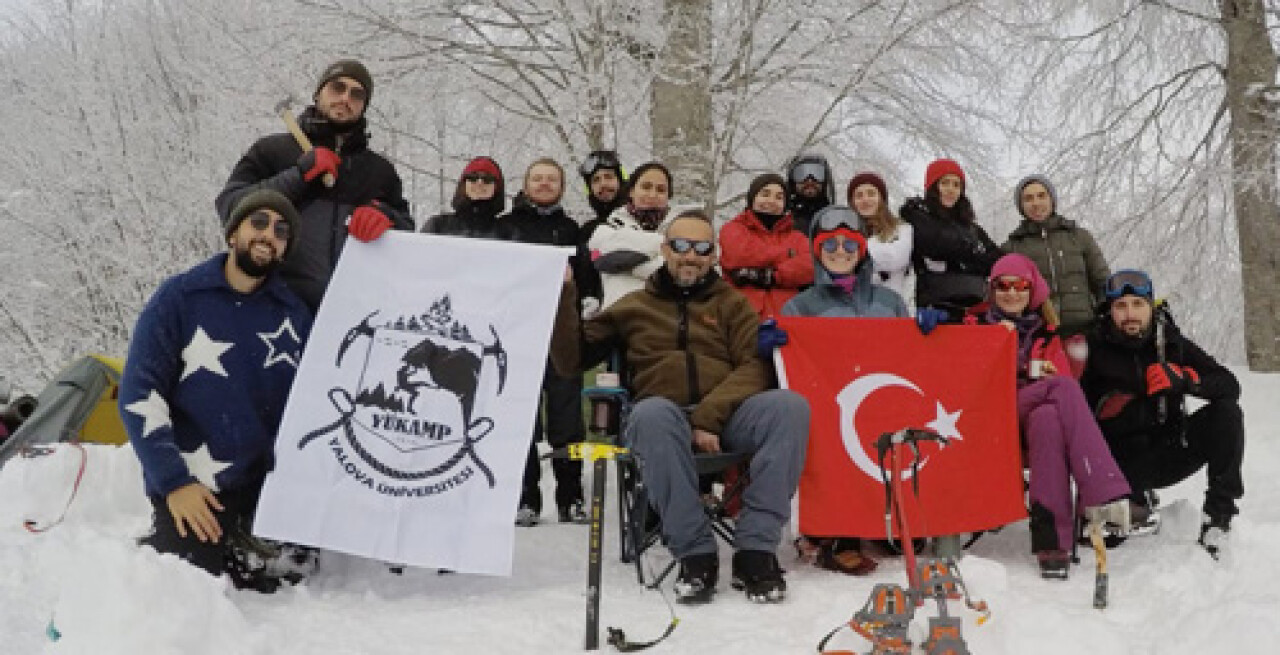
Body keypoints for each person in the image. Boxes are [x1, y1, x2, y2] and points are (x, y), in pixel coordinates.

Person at [550, 210, 810, 604]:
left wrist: (709, 417)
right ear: (665, 249)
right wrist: (563, 297)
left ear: (713, 256)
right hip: (661, 417)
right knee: (652, 413)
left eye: (702, 248)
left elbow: (754, 367)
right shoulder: (634, 305)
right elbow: (571, 361)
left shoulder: (732, 304)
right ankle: (696, 552)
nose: (691, 256)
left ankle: (755, 550)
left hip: (724, 418)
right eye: (682, 246)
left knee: (789, 407)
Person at [121, 190, 312, 590]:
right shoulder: (179, 298)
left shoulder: (293, 315)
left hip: (262, 488)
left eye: (281, 231)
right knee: (182, 586)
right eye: (258, 223)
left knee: (286, 582)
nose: (268, 235)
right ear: (232, 234)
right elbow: (139, 396)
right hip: (195, 483)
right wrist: (174, 483)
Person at [966, 254, 1130, 579]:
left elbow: (1062, 383)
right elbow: (971, 381)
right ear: (992, 290)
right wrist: (1003, 345)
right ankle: (1102, 490)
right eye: (1003, 286)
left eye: (1020, 286)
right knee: (1063, 390)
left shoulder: (1047, 338)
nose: (1011, 293)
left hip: (1030, 418)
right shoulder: (974, 328)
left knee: (1048, 420)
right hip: (988, 416)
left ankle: (1052, 540)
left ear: (1032, 291)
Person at [215, 59, 413, 312]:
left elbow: (407, 231)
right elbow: (230, 205)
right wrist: (298, 175)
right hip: (273, 307)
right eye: (337, 88)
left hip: (349, 312)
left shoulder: (379, 171)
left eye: (356, 94)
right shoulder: (273, 151)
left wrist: (385, 217)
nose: (345, 98)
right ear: (318, 94)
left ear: (364, 106)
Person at [773, 205, 905, 577]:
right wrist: (773, 341)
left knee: (897, 430)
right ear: (817, 251)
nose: (841, 251)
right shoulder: (801, 305)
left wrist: (926, 333)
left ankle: (887, 520)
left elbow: (910, 356)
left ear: (862, 249)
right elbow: (788, 366)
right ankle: (838, 533)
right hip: (832, 407)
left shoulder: (889, 301)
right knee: (831, 435)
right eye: (830, 244)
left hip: (881, 399)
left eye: (850, 243)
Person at [1081, 270, 1245, 559]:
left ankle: (1217, 520)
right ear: (1110, 310)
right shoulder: (1092, 348)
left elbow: (1229, 384)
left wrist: (1187, 381)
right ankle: (1133, 499)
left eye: (1138, 305)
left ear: (1150, 306)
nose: (1130, 314)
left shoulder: (1169, 341)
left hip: (1170, 450)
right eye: (1121, 306)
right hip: (1117, 464)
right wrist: (1104, 407)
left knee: (1227, 413)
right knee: (1111, 541)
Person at [501, 158, 600, 526]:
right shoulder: (506, 227)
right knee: (521, 419)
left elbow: (588, 278)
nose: (544, 185)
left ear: (561, 187)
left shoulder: (571, 229)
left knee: (567, 421)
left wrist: (588, 297)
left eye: (551, 179)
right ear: (525, 184)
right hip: (517, 336)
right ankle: (525, 497)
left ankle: (570, 496)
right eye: (537, 178)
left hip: (561, 338)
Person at [1002, 175, 1110, 337]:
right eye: (1028, 198)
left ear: (1052, 199)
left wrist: (1104, 316)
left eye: (1041, 195)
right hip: (1038, 334)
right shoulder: (1013, 247)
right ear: (1021, 206)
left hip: (1085, 331)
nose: (1036, 203)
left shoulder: (1079, 237)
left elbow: (1102, 280)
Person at [901, 158, 1002, 327]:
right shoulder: (918, 218)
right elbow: (936, 246)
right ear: (933, 187)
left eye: (956, 185)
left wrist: (967, 258)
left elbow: (997, 260)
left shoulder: (972, 228)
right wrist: (974, 255)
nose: (951, 190)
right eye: (945, 183)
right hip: (935, 309)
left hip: (975, 308)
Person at [589, 161, 688, 308]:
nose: (652, 194)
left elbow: (683, 273)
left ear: (668, 196)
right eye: (646, 187)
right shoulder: (606, 230)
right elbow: (600, 257)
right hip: (618, 321)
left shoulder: (685, 230)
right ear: (631, 191)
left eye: (661, 190)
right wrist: (664, 246)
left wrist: (629, 266)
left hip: (665, 322)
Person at [718, 173, 814, 319]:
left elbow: (810, 266)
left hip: (788, 318)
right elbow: (738, 255)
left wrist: (773, 277)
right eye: (765, 194)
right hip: (742, 318)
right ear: (753, 198)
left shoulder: (797, 237)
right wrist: (788, 254)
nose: (771, 201)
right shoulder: (733, 228)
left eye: (779, 197)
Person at [848, 172, 914, 309]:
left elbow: (896, 258)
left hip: (889, 307)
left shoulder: (902, 229)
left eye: (871, 194)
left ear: (881, 199)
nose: (865, 200)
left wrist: (855, 253)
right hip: (853, 308)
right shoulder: (844, 231)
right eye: (859, 195)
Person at [420, 156, 506, 238]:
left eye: (487, 178)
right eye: (473, 177)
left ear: (497, 187)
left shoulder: (507, 232)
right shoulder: (438, 226)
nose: (480, 182)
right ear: (463, 184)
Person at [579, 149, 627, 245]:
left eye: (608, 177)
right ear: (589, 189)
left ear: (621, 181)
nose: (603, 184)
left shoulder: (641, 222)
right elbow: (594, 257)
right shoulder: (587, 233)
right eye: (596, 180)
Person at [783, 153, 835, 238]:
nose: (810, 180)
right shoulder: (781, 219)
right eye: (801, 174)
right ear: (793, 181)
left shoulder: (836, 218)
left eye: (817, 173)